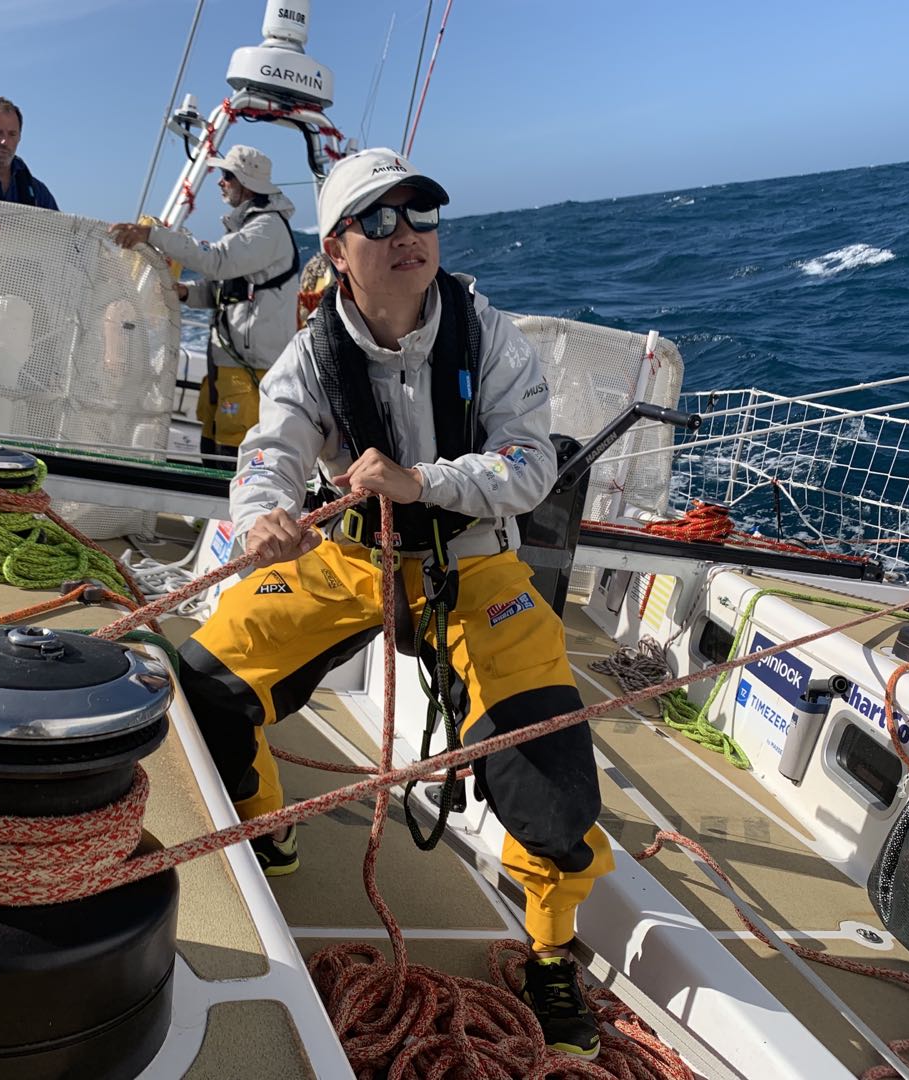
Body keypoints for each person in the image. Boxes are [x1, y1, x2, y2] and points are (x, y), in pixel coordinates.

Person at [174, 147, 614, 1059]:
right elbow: (269, 453)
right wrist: (261, 518)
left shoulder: (488, 336)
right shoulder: (311, 355)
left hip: (475, 566)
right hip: (349, 559)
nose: (406, 233)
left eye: (421, 214)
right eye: (378, 219)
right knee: (204, 680)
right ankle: (265, 827)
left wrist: (424, 483)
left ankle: (550, 954)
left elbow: (530, 464)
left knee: (548, 770)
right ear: (336, 250)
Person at [109, 145, 300, 464]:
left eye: (227, 175)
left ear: (246, 182)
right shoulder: (250, 227)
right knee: (213, 445)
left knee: (233, 453)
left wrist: (152, 235)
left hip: (249, 368)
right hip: (229, 362)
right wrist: (186, 293)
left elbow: (216, 261)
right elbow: (225, 290)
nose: (220, 181)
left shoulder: (267, 228)